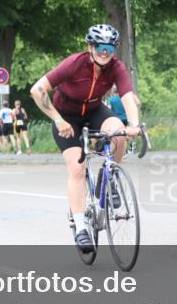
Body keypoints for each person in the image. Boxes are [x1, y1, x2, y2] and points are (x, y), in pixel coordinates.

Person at [30, 23, 141, 254]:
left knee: (118, 133)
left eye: (109, 49)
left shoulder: (116, 67)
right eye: (100, 47)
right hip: (67, 117)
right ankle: (81, 227)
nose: (104, 53)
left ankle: (108, 178)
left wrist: (134, 125)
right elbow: (37, 90)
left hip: (94, 111)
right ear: (90, 46)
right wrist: (58, 120)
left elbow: (128, 97)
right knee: (77, 169)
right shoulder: (74, 63)